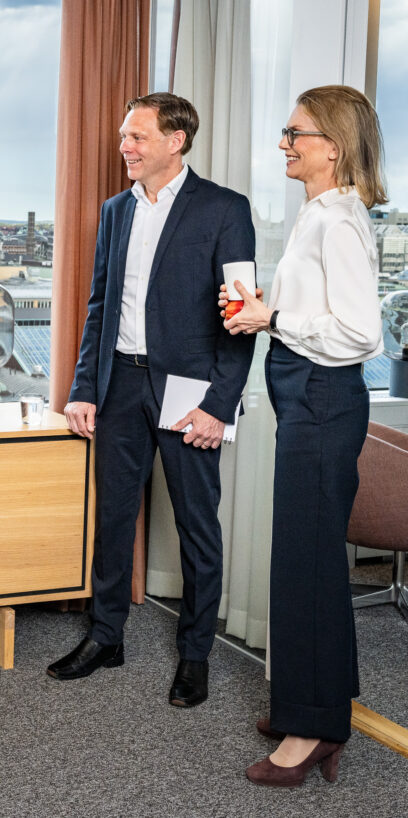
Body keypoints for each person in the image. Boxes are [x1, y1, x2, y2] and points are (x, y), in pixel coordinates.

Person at [47, 93, 255, 707]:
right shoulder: (117, 210)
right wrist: (84, 388)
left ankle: (195, 654)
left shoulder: (224, 209)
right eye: (124, 136)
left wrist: (220, 405)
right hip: (120, 385)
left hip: (191, 393)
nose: (125, 147)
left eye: (137, 136)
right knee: (113, 519)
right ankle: (105, 636)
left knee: (197, 525)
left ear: (175, 141)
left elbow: (240, 316)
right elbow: (99, 305)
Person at [221, 85, 385, 787]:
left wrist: (273, 321)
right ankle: (307, 705)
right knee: (302, 561)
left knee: (309, 567)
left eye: (296, 133)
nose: (284, 144)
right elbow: (319, 312)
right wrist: (265, 308)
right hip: (308, 398)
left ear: (334, 147)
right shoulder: (318, 214)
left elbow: (362, 334)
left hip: (322, 401)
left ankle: (314, 730)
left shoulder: (339, 222)